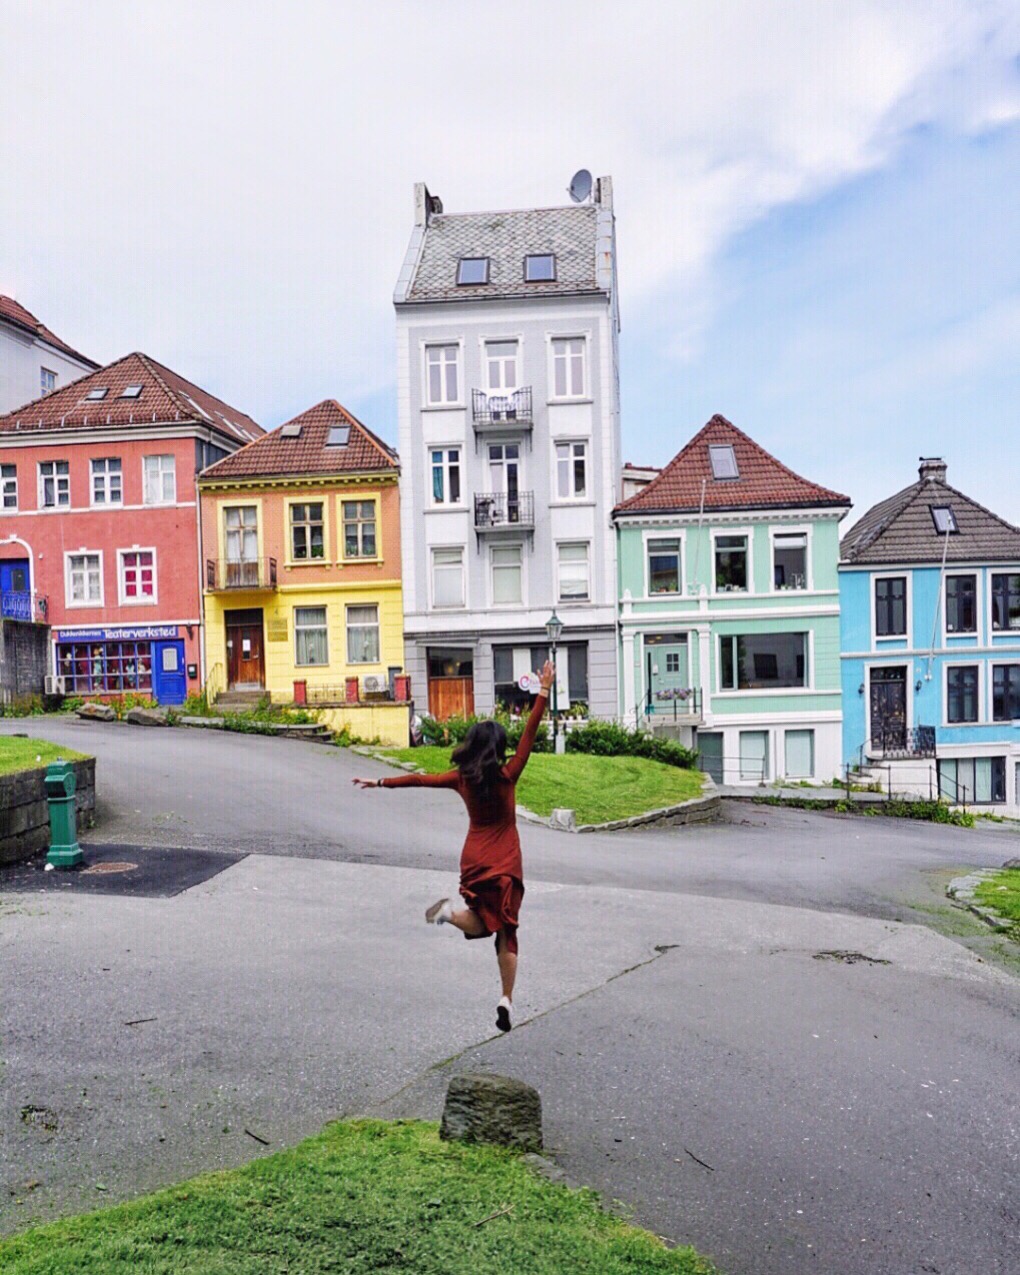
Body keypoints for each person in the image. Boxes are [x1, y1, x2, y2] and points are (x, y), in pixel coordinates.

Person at [353, 660, 554, 1033]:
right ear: (497, 748)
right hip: (505, 863)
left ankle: (447, 912)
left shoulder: (461, 779)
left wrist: (379, 781)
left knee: (481, 923)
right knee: (506, 930)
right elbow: (530, 731)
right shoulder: (508, 775)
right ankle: (506, 999)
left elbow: (419, 779)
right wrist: (543, 690)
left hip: (474, 861)